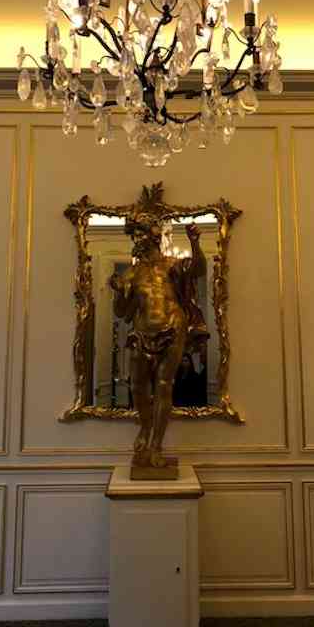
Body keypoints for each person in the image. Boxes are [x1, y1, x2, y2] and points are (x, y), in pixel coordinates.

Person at [109, 193, 208, 469]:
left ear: (152, 237)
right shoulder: (131, 274)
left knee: (164, 385)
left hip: (172, 327)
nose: (136, 240)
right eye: (135, 236)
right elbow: (122, 312)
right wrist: (117, 292)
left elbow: (198, 269)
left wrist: (195, 243)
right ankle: (145, 428)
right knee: (137, 386)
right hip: (142, 331)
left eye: (140, 235)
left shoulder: (171, 265)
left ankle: (156, 446)